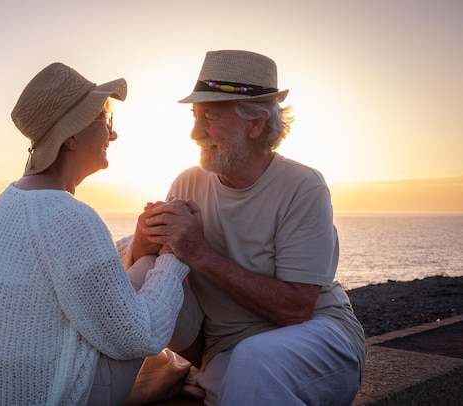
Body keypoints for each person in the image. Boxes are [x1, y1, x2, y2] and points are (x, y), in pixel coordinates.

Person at [124, 50, 367, 405]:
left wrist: (199, 252)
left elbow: (297, 309)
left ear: (254, 125)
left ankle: (214, 377)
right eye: (194, 116)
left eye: (209, 117)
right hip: (225, 350)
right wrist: (145, 238)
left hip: (316, 337)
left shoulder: (303, 186)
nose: (194, 132)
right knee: (146, 272)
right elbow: (161, 268)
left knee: (253, 360)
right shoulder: (186, 183)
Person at [0, 62, 191, 405]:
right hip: (54, 396)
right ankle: (197, 369)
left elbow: (78, 271)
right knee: (151, 280)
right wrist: (173, 255)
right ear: (72, 136)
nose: (113, 134)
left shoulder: (12, 199)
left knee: (139, 272)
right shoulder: (68, 215)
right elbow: (140, 336)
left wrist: (137, 247)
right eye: (106, 120)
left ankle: (174, 372)